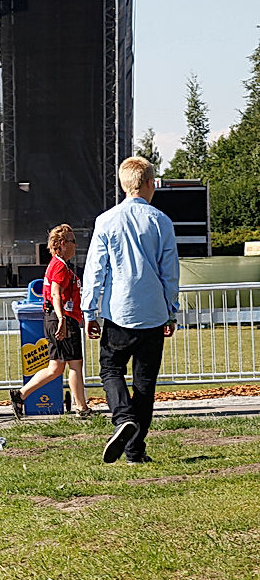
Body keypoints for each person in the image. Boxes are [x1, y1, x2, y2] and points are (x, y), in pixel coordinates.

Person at [82, 157, 179, 464]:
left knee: (111, 370)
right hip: (152, 313)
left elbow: (95, 270)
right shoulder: (161, 221)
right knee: (145, 383)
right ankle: (136, 450)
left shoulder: (106, 221)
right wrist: (171, 310)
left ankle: (122, 416)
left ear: (124, 184)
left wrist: (89, 311)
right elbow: (170, 272)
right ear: (149, 184)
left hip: (118, 312)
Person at [9, 224, 92, 419]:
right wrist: (62, 319)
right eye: (72, 241)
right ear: (62, 244)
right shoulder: (60, 266)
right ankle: (82, 409)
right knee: (75, 364)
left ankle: (21, 395)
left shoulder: (58, 264)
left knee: (55, 368)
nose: (75, 245)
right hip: (62, 318)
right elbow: (55, 293)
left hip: (56, 317)